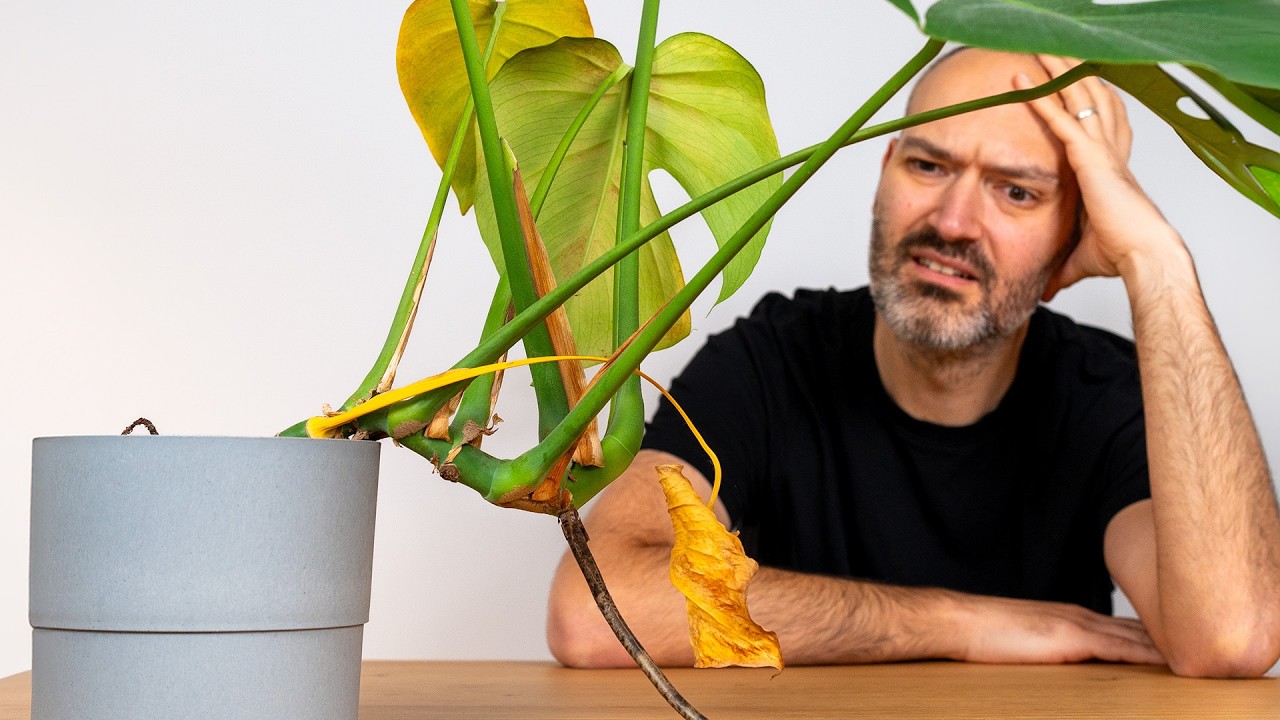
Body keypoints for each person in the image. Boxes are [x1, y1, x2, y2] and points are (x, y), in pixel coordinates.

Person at [545, 48, 1280, 678]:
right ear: (885, 171)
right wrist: (962, 623)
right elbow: (591, 613)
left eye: (1017, 192)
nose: (953, 223)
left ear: (1077, 230)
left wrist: (1156, 262)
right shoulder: (767, 363)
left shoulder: (1109, 395)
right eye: (929, 165)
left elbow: (1232, 638)